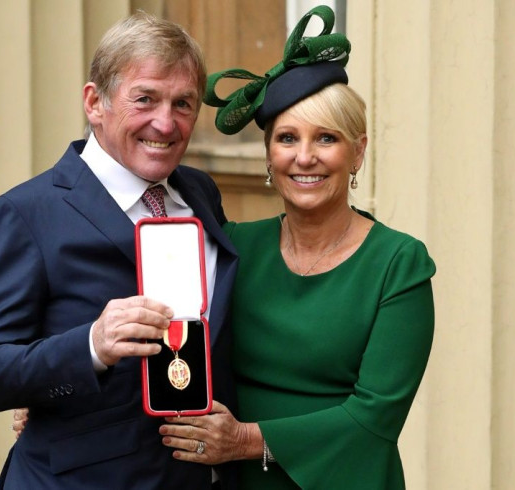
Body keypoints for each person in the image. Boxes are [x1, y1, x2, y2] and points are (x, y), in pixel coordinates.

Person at [157, 6, 436, 489]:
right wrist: (61, 402)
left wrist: (245, 439)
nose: (304, 157)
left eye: (326, 138)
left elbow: (376, 417)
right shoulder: (236, 246)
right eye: (287, 138)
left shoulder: (399, 264)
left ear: (358, 151)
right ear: (269, 154)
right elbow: (167, 337)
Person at [0, 11, 238, 489]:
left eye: (183, 103)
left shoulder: (200, 194)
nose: (165, 122)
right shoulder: (26, 213)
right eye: (145, 99)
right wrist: (90, 345)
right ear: (95, 102)